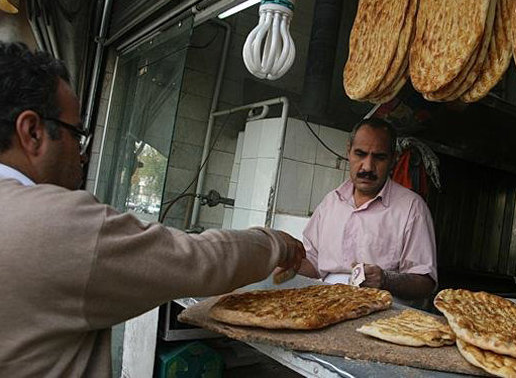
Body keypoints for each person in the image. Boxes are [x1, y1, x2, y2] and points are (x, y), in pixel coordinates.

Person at [0, 41, 305, 377]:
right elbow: (197, 260)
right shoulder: (52, 222)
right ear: (32, 132)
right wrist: (275, 242)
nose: (82, 153)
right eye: (77, 135)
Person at [298, 118, 437, 301]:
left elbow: (425, 284)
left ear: (394, 159)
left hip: (382, 314)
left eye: (379, 157)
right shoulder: (331, 202)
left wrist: (386, 280)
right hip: (326, 303)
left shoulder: (412, 208)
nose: (368, 167)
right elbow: (312, 261)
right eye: (360, 154)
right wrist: (285, 262)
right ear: (348, 152)